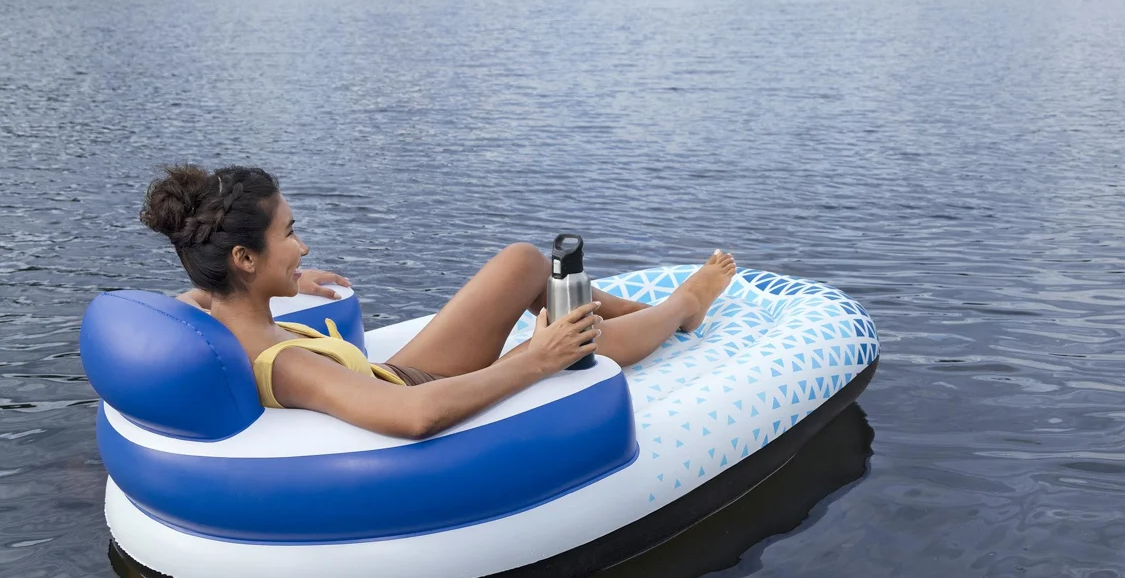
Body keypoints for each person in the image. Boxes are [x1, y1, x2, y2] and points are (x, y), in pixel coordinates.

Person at [141, 164, 736, 440]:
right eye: (290, 235)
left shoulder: (212, 312)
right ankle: (683, 307)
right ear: (243, 259)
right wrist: (536, 358)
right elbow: (415, 417)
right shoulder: (286, 365)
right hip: (415, 392)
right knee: (575, 339)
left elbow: (193, 286)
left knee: (522, 261)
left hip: (395, 372)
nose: (303, 245)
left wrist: (286, 276)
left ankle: (625, 308)